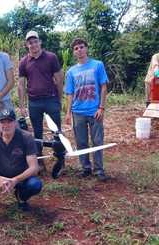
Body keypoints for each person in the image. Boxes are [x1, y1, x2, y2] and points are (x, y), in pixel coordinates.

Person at [0, 108, 42, 224]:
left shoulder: (26, 137)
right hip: (0, 174)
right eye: (2, 122)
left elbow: (34, 167)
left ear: (15, 123)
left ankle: (21, 197)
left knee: (35, 184)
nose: (6, 125)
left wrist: (15, 180)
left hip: (20, 176)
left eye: (9, 121)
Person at [18, 30, 64, 174]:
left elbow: (59, 79)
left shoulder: (51, 57)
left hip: (51, 99)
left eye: (35, 41)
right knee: (37, 134)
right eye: (30, 42)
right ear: (27, 45)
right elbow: (21, 84)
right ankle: (39, 163)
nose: (33, 44)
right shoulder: (24, 62)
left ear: (40, 42)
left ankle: (61, 161)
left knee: (57, 132)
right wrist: (21, 105)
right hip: (34, 102)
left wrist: (59, 99)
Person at [64, 38, 109, 181]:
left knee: (97, 141)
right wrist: (68, 112)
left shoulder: (97, 65)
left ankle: (99, 170)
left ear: (87, 48)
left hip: (95, 110)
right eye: (76, 48)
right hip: (78, 112)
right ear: (73, 52)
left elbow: (103, 87)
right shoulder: (71, 71)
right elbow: (70, 93)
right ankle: (85, 168)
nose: (79, 50)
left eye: (81, 47)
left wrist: (101, 107)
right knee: (81, 142)